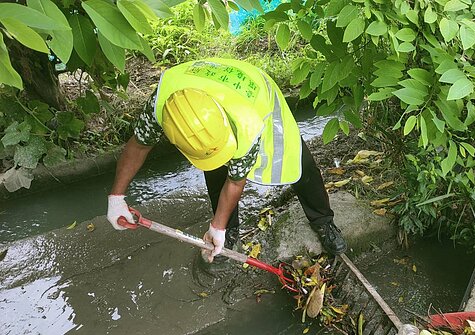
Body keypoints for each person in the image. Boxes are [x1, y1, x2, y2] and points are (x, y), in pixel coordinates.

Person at [106, 58, 347, 262]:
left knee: (297, 162)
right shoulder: (161, 104)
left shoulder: (248, 121)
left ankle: (323, 221)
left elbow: (236, 180)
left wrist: (216, 226)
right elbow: (138, 144)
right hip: (206, 88)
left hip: (256, 92)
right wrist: (116, 198)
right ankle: (228, 231)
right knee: (214, 166)